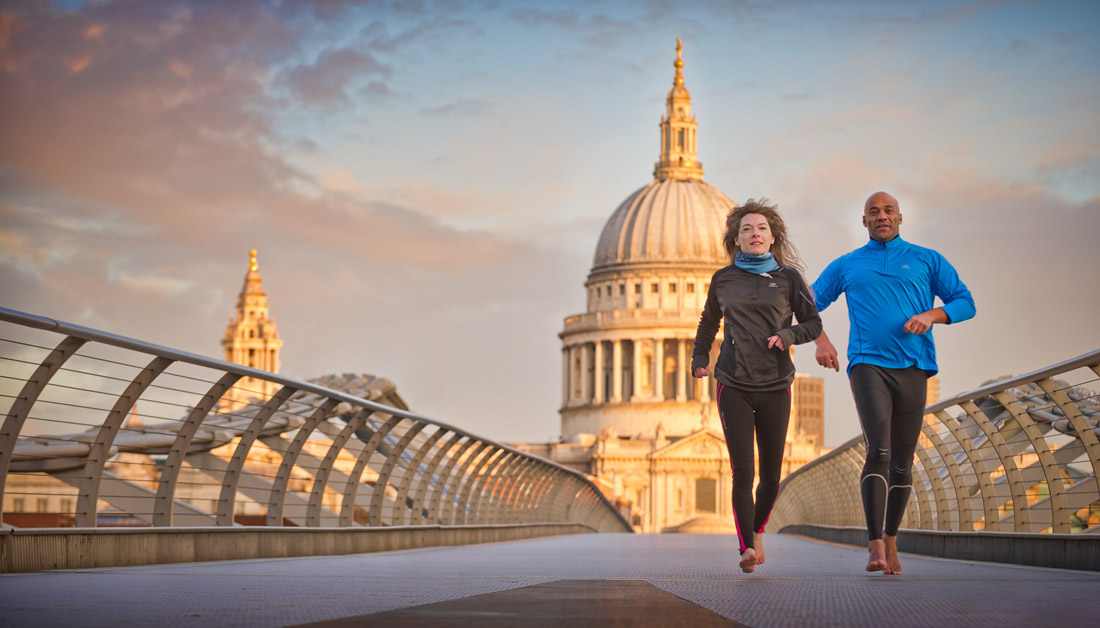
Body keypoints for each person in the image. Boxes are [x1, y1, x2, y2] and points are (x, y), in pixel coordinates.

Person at [812, 191, 975, 575]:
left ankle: (891, 539)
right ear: (863, 221)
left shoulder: (927, 259)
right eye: (874, 212)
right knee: (878, 452)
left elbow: (965, 302)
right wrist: (821, 340)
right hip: (868, 365)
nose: (881, 216)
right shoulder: (848, 264)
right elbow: (808, 302)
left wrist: (932, 315)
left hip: (915, 367)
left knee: (902, 462)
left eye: (888, 211)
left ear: (900, 218)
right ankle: (873, 546)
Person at [692, 199, 822, 574]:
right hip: (732, 381)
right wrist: (700, 358)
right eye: (747, 229)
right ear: (736, 238)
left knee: (771, 476)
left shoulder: (789, 278)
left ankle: (756, 529)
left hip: (775, 383)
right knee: (742, 473)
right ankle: (746, 546)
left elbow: (812, 324)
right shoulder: (723, 279)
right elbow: (708, 324)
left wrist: (788, 334)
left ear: (772, 236)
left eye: (761, 228)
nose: (755, 234)